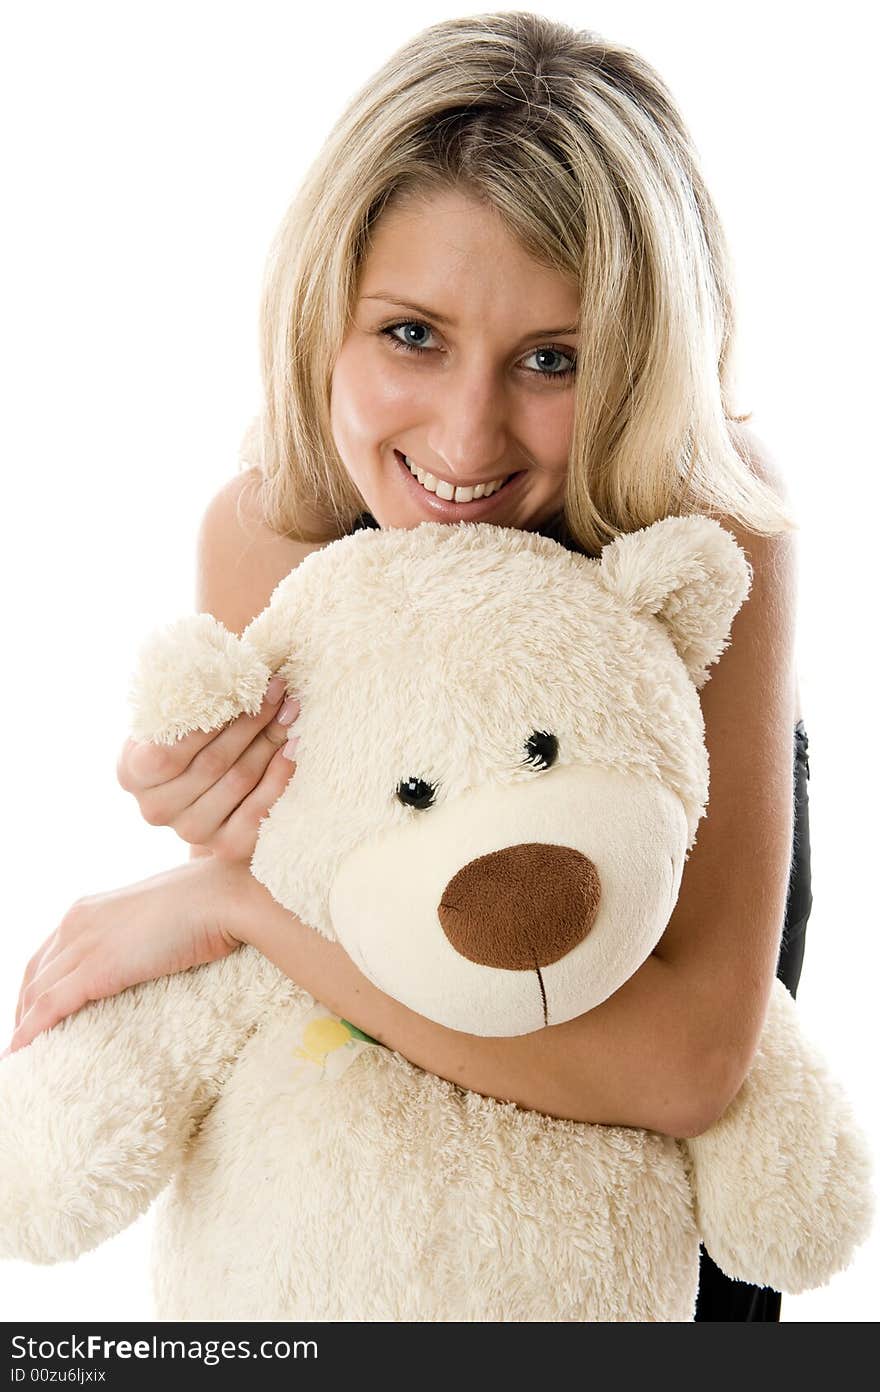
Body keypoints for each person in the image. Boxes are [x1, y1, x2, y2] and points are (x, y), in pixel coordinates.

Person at [7, 11, 808, 1321]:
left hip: (635, 1257)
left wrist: (239, 909)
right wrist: (227, 843)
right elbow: (324, 957)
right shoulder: (271, 529)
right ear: (327, 308)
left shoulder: (708, 529)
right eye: (412, 336)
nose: (466, 432)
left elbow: (682, 1069)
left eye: (554, 359)